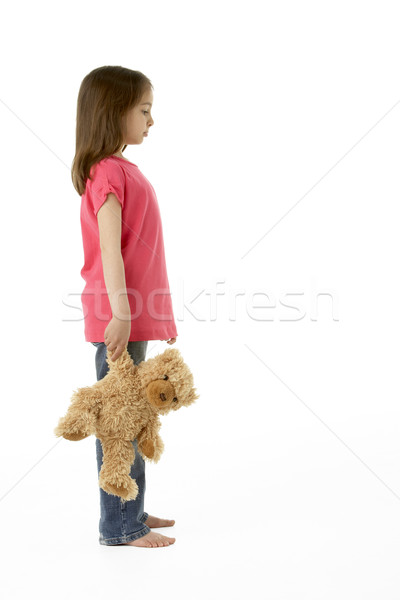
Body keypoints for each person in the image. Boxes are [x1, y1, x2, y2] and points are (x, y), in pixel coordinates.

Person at [71, 66, 177, 548]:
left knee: (132, 416)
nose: (151, 121)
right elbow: (110, 249)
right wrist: (121, 312)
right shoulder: (109, 171)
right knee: (118, 421)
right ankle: (118, 525)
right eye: (144, 110)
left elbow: (140, 251)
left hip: (131, 313)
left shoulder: (120, 168)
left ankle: (131, 507)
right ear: (115, 112)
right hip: (120, 316)